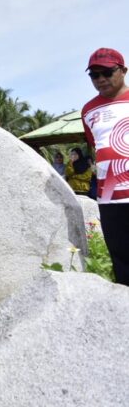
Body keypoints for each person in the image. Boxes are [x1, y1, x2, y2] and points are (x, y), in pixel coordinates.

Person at [81, 47, 129, 285]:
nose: (100, 79)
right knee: (121, 260)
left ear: (123, 70)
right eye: (94, 75)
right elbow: (96, 145)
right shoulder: (88, 110)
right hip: (110, 197)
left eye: (107, 72)